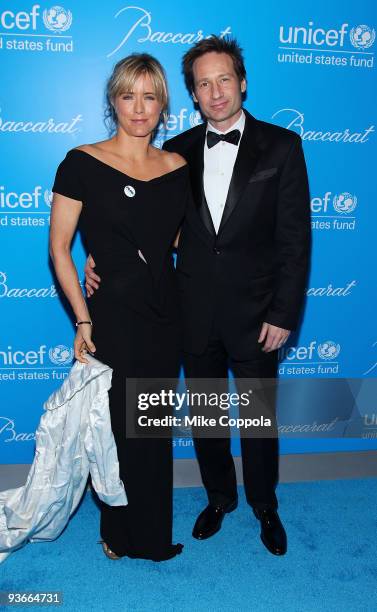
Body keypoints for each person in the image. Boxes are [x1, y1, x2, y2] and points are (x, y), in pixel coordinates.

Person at [85, 37, 311, 556]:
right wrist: (101, 258)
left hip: (258, 316)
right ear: (192, 93)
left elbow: (295, 239)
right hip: (190, 311)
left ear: (242, 82)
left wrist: (284, 313)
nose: (215, 92)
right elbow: (143, 226)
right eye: (203, 83)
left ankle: (264, 505)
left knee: (257, 420)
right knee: (207, 415)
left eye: (224, 79)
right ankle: (219, 498)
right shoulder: (176, 154)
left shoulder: (282, 147)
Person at [50, 52, 189, 561]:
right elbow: (59, 249)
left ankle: (152, 538)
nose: (138, 107)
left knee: (149, 429)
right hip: (109, 316)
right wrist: (81, 319)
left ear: (163, 106)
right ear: (114, 100)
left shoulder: (177, 167)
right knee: (111, 428)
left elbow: (177, 240)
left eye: (149, 96)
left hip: (163, 314)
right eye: (128, 95)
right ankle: (116, 530)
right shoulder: (81, 161)